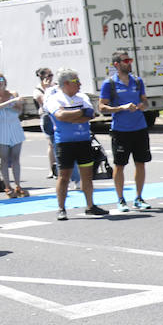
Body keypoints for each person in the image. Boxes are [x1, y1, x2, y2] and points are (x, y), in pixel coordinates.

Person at [45, 69, 109, 219]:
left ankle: (90, 206)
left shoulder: (82, 96)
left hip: (83, 141)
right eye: (76, 81)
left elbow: (90, 114)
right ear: (66, 83)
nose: (80, 84)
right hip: (64, 143)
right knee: (64, 176)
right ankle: (61, 208)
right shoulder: (55, 99)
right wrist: (80, 112)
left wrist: (71, 116)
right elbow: (60, 116)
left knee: (87, 175)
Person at [98, 49, 154, 210]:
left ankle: (139, 198)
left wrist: (143, 105)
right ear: (117, 64)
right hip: (121, 130)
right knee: (120, 165)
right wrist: (121, 107)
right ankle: (121, 199)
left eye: (130, 60)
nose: (129, 63)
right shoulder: (109, 84)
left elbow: (145, 101)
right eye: (126, 61)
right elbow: (101, 107)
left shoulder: (137, 81)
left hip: (140, 128)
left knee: (141, 163)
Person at [0, 72, 26, 198]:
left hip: (15, 127)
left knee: (15, 158)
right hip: (0, 129)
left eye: (0, 79)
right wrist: (12, 102)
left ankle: (18, 185)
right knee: (4, 158)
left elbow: (19, 111)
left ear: (5, 80)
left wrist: (10, 103)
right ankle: (8, 186)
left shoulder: (13, 93)